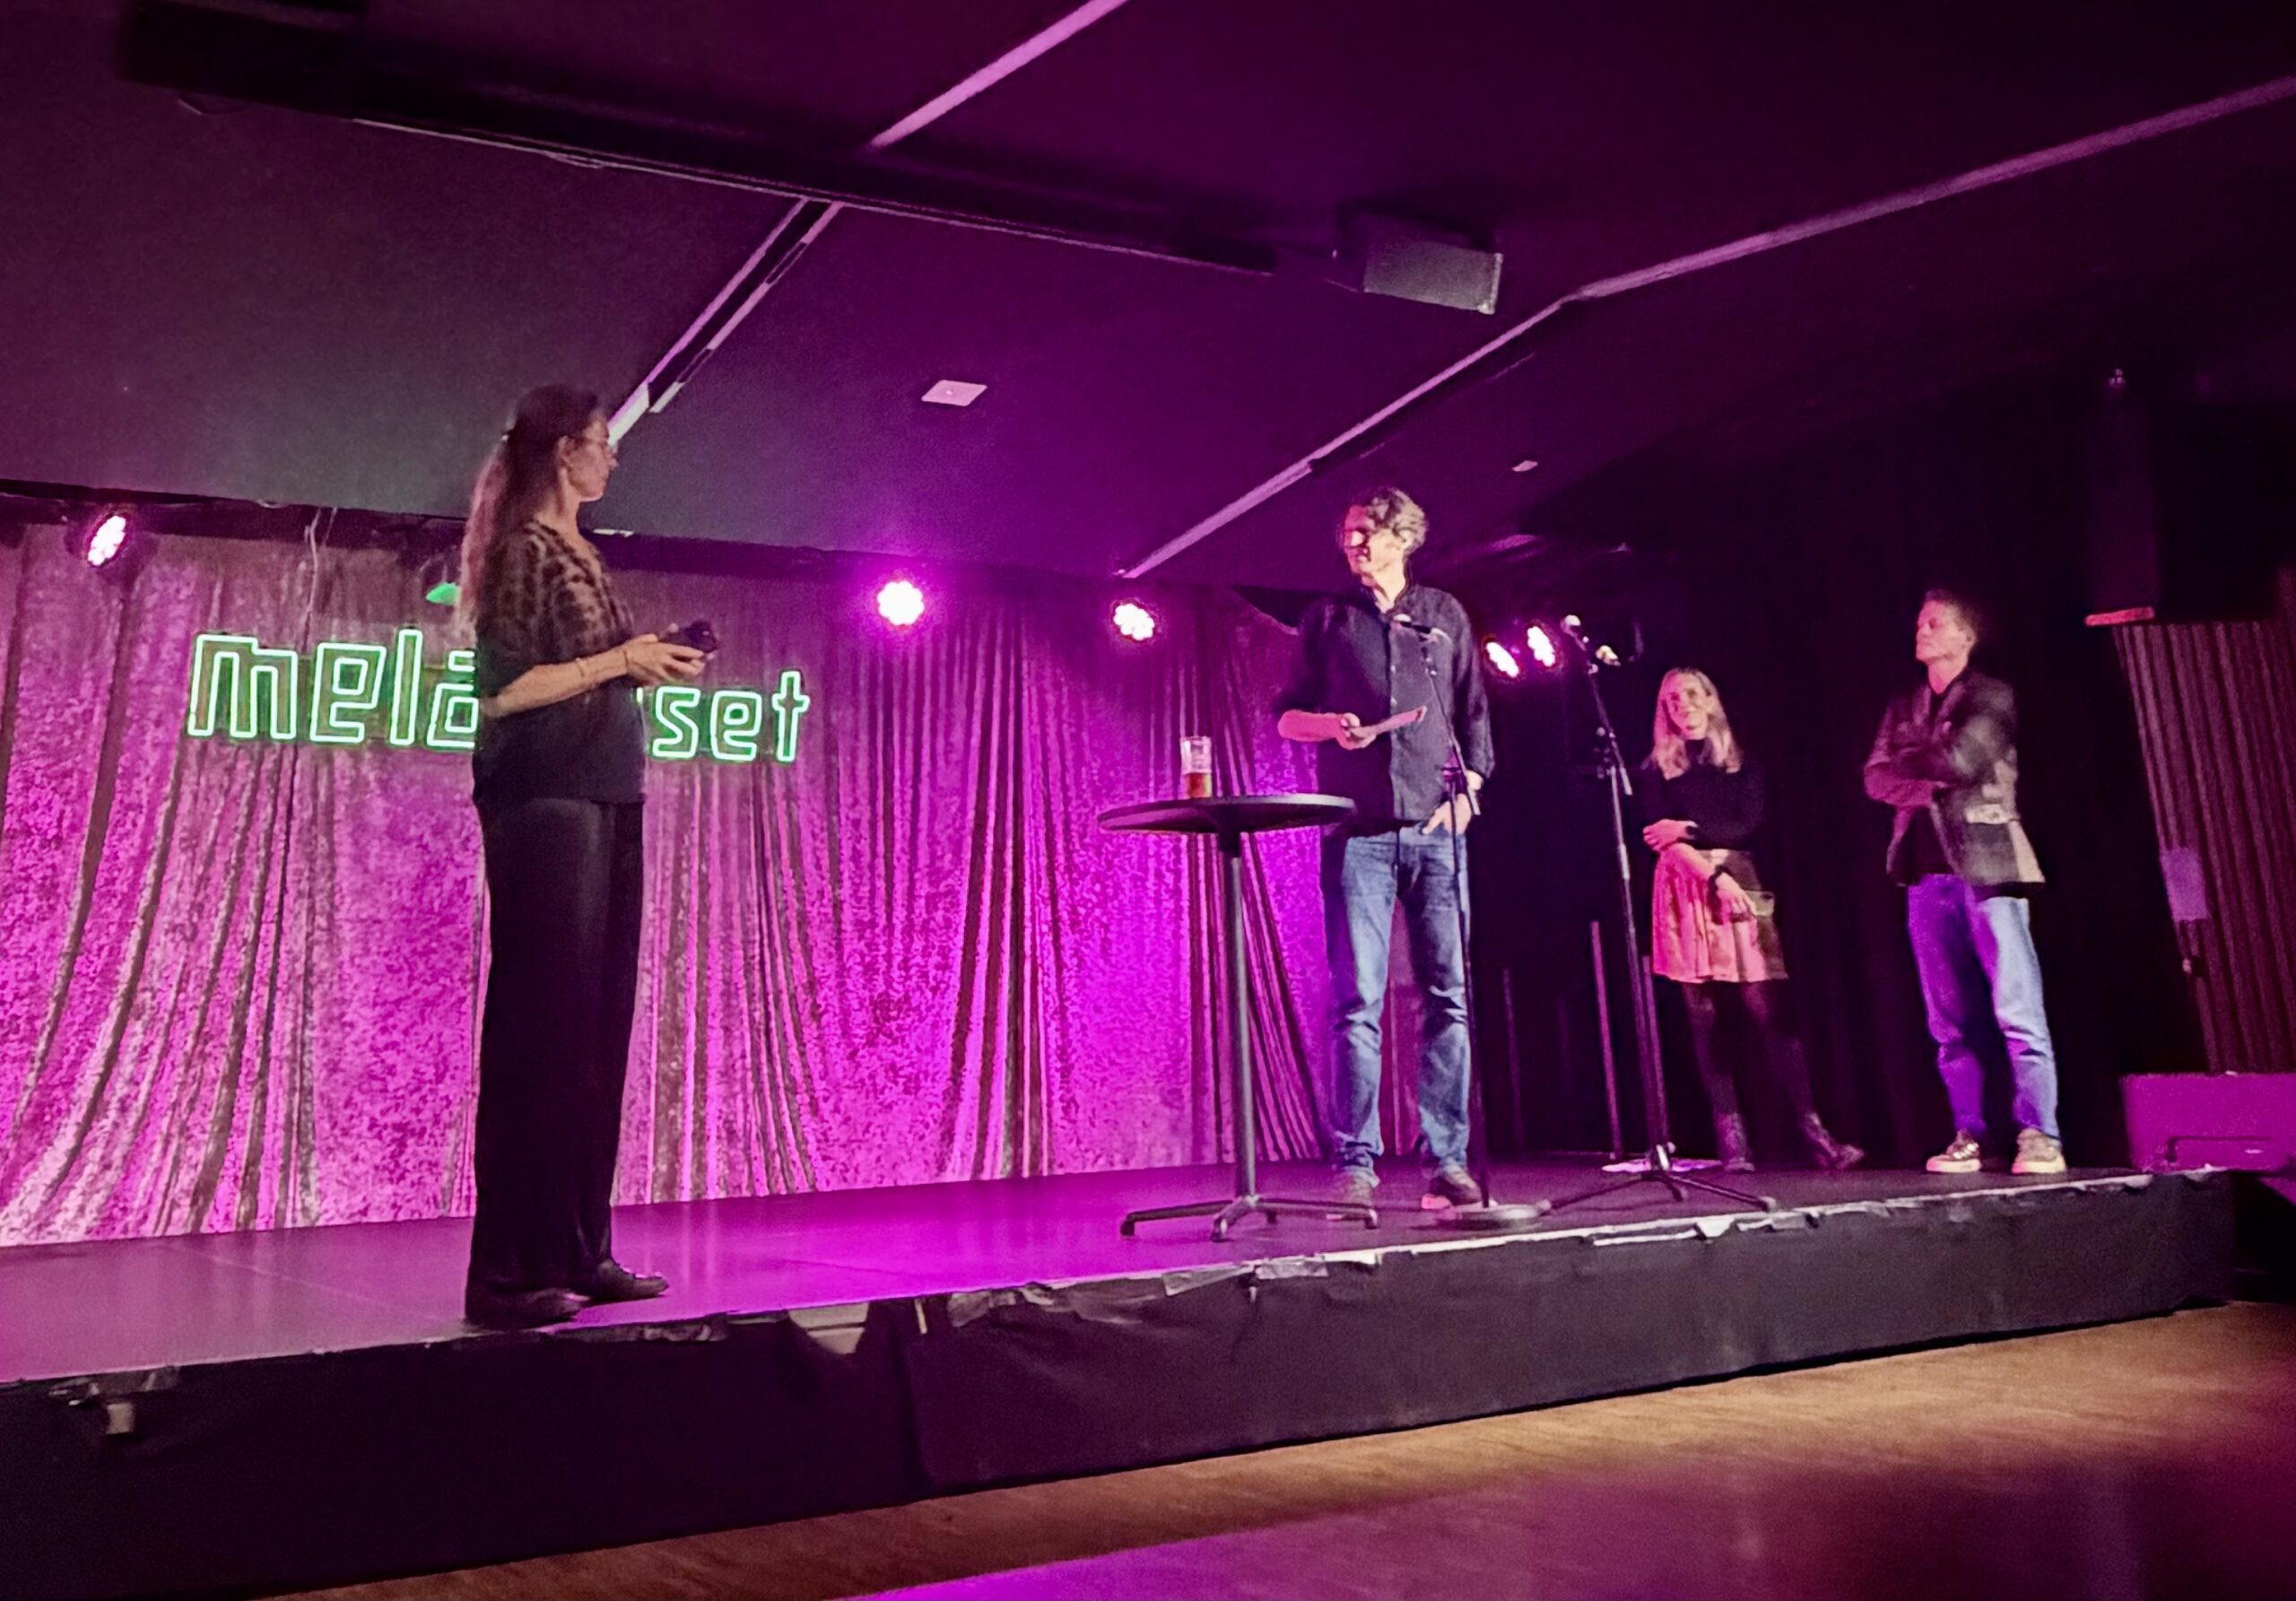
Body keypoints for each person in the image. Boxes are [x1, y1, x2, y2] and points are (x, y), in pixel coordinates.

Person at [457, 385, 707, 1328]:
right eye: (603, 442)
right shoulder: (524, 548)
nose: (613, 457)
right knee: (542, 1033)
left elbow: (585, 676)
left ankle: (577, 1248)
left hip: (606, 794)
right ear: (565, 450)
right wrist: (617, 662)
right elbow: (502, 690)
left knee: (594, 1037)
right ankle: (506, 1273)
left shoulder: (581, 552)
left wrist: (644, 661)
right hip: (545, 800)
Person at [1276, 487, 1494, 1212]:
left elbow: (1473, 714)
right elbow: (1285, 717)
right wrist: (1328, 726)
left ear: (1404, 537)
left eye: (1366, 532)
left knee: (1448, 997)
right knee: (1356, 1002)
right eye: (1347, 533)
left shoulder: (1442, 617)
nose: (1354, 544)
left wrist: (1470, 792)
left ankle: (1448, 1162)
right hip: (1358, 836)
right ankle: (1355, 1161)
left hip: (1436, 833)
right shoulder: (1327, 618)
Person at [1863, 590, 2066, 1177]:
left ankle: (2040, 1134)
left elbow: (1962, 761)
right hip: (1925, 877)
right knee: (1948, 1024)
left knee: (2016, 1010)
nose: (1922, 630)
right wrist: (1927, 775)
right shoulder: (1903, 706)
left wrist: (1917, 764)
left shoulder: (1991, 695)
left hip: (1989, 869)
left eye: (1935, 623)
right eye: (1920, 622)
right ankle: (1973, 1133)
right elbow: (1875, 777)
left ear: (1965, 637)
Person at [1639, 669, 1862, 1173]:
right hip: (1685, 883)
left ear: (1710, 700)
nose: (1682, 705)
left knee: (1770, 1011)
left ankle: (1816, 1135)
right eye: (1671, 699)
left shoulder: (1744, 764)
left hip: (1741, 880)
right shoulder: (1655, 771)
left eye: (1691, 695)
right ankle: (1733, 1146)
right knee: (1705, 1020)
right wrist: (1706, 867)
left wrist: (1687, 828)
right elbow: (1658, 839)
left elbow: (1745, 824)